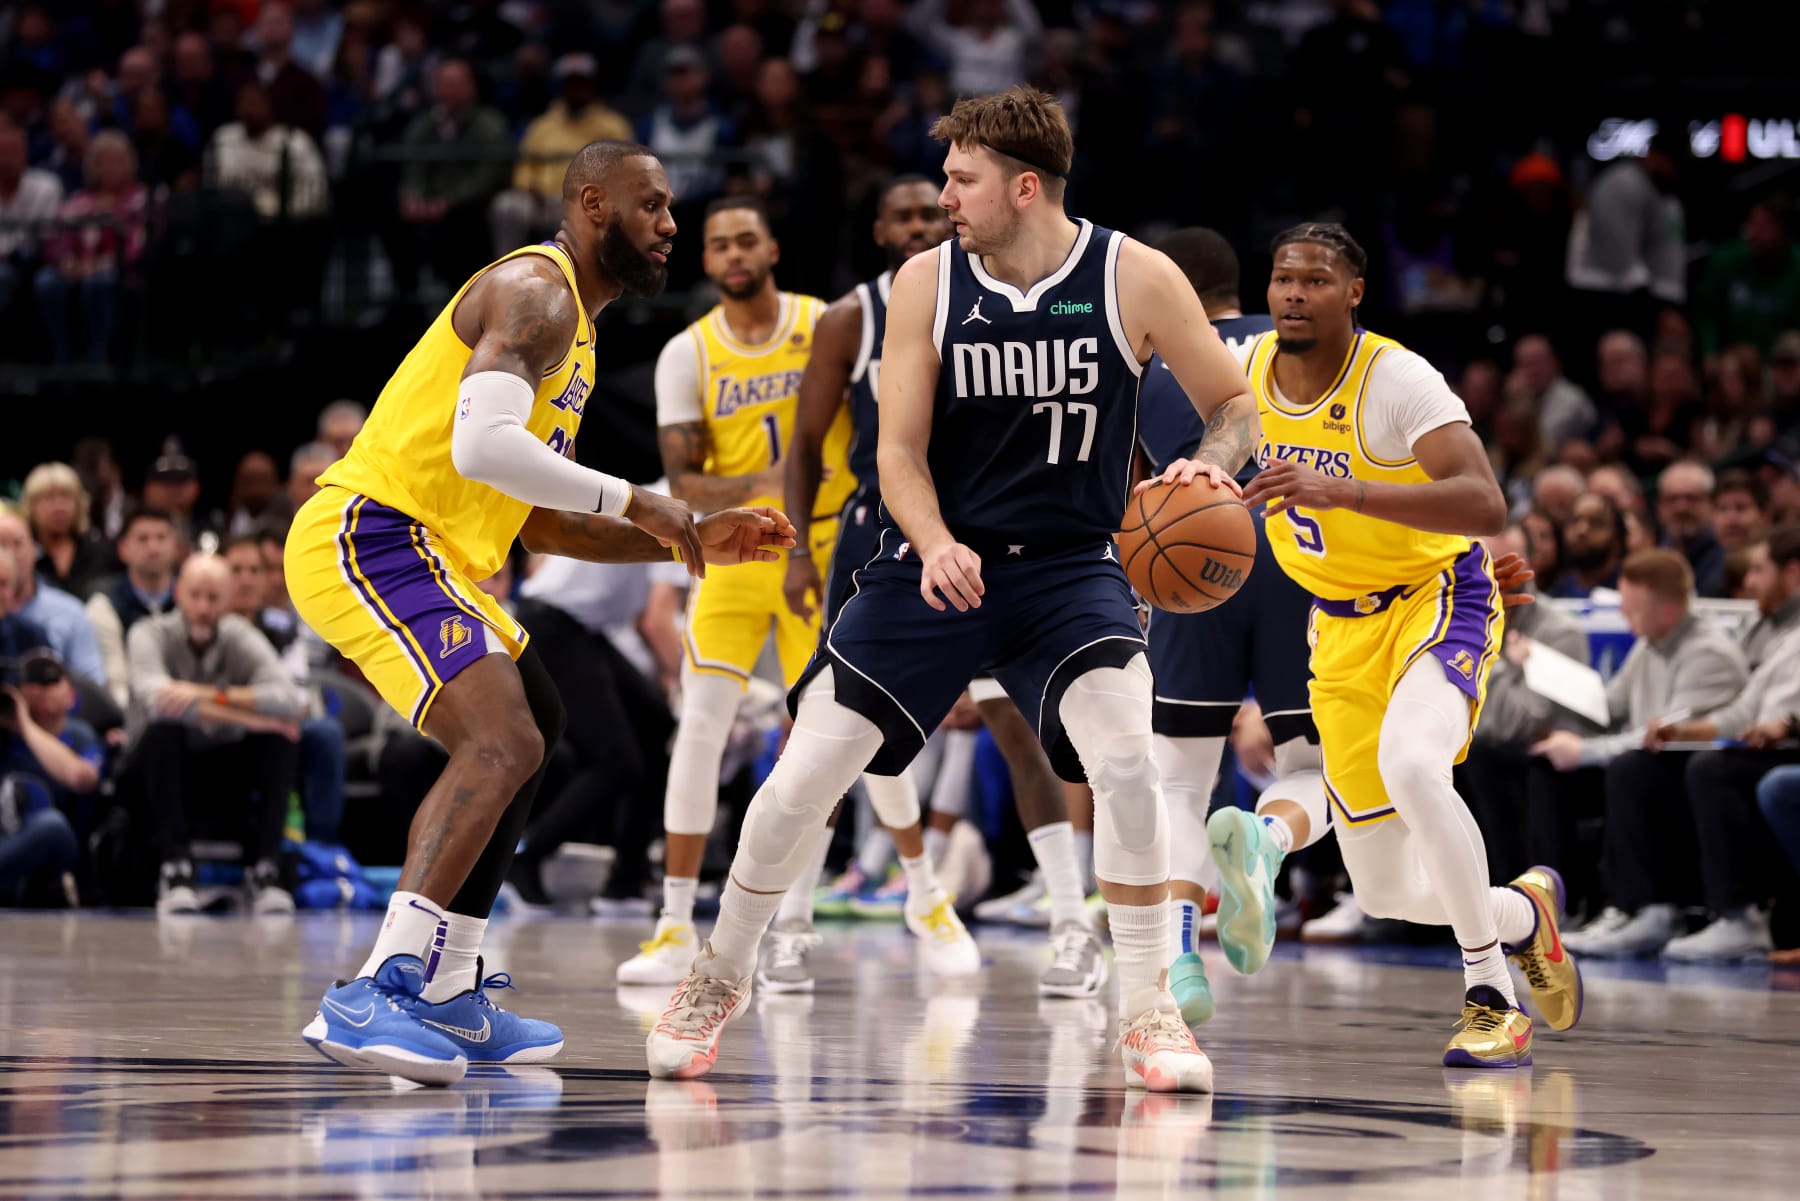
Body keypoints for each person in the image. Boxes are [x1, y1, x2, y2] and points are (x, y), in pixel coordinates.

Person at [644, 87, 1248, 1091]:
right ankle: (719, 971)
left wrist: (1212, 465)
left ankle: (1146, 1007)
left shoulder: (1133, 275)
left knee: (1130, 766)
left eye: (961, 180)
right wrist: (930, 542)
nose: (946, 198)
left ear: (1023, 185)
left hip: (1071, 567)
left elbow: (1233, 405)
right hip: (937, 560)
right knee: (801, 780)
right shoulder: (928, 283)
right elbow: (896, 452)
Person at [284, 139, 793, 1088]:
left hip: (439, 553)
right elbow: (483, 449)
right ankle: (380, 985)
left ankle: (450, 983)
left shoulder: (579, 337)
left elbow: (543, 522)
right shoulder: (538, 291)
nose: (670, 225)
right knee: (501, 738)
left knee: (541, 722)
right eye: (652, 206)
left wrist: (685, 538)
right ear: (592, 204)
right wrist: (642, 499)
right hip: (373, 531)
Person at [1146, 222, 1579, 1069]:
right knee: (1385, 888)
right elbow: (1226, 446)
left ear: (1353, 292)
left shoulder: (1398, 378)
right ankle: (1526, 914)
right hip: (1337, 625)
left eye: (1314, 280)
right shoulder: (1251, 373)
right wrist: (1195, 480)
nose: (1294, 294)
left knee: (1417, 768)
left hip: (1435, 600)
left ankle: (1492, 996)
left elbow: (1486, 507)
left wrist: (1339, 489)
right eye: (1281, 279)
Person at [617, 194, 978, 988]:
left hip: (824, 547)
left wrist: (769, 481)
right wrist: (767, 482)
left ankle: (913, 896)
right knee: (701, 726)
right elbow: (685, 480)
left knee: (855, 730)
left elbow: (858, 428)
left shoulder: (829, 319)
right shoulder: (688, 352)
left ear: (773, 247)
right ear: (705, 262)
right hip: (736, 551)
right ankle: (676, 923)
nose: (734, 254)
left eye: (747, 239)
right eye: (718, 245)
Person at [779, 174, 1099, 996]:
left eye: (933, 208)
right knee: (831, 740)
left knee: (1022, 732)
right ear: (879, 228)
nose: (923, 223)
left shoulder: (1010, 289)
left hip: (1003, 542)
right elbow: (808, 439)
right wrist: (798, 553)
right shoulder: (854, 316)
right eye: (905, 214)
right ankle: (791, 923)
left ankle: (1071, 923)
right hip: (885, 536)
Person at [1128, 225, 1318, 1027]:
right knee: (1315, 766)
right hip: (1301, 559)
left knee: (1177, 778)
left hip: (1190, 562)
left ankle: (1178, 955)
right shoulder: (1305, 346)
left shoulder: (1143, 361)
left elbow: (1124, 489)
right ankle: (1269, 839)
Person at [124, 554, 305, 916]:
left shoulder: (239, 635)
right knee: (165, 731)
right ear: (178, 592)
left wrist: (211, 694)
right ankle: (176, 868)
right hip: (152, 772)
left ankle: (267, 869)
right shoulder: (147, 632)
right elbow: (159, 702)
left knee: (279, 741)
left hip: (220, 768)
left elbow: (291, 700)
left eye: (213, 598)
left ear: (227, 600)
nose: (203, 608)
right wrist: (252, 719)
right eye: (195, 596)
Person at [85, 507, 180, 709]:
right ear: (123, 549)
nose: (153, 547)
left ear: (175, 547)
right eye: (142, 539)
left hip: (191, 712)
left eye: (161, 538)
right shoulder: (104, 604)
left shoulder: (195, 599)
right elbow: (114, 682)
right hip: (131, 715)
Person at [0, 512, 105, 687]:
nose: (9, 553)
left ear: (35, 549)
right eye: (2, 545)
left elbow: (91, 684)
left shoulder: (40, 628)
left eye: (17, 543)